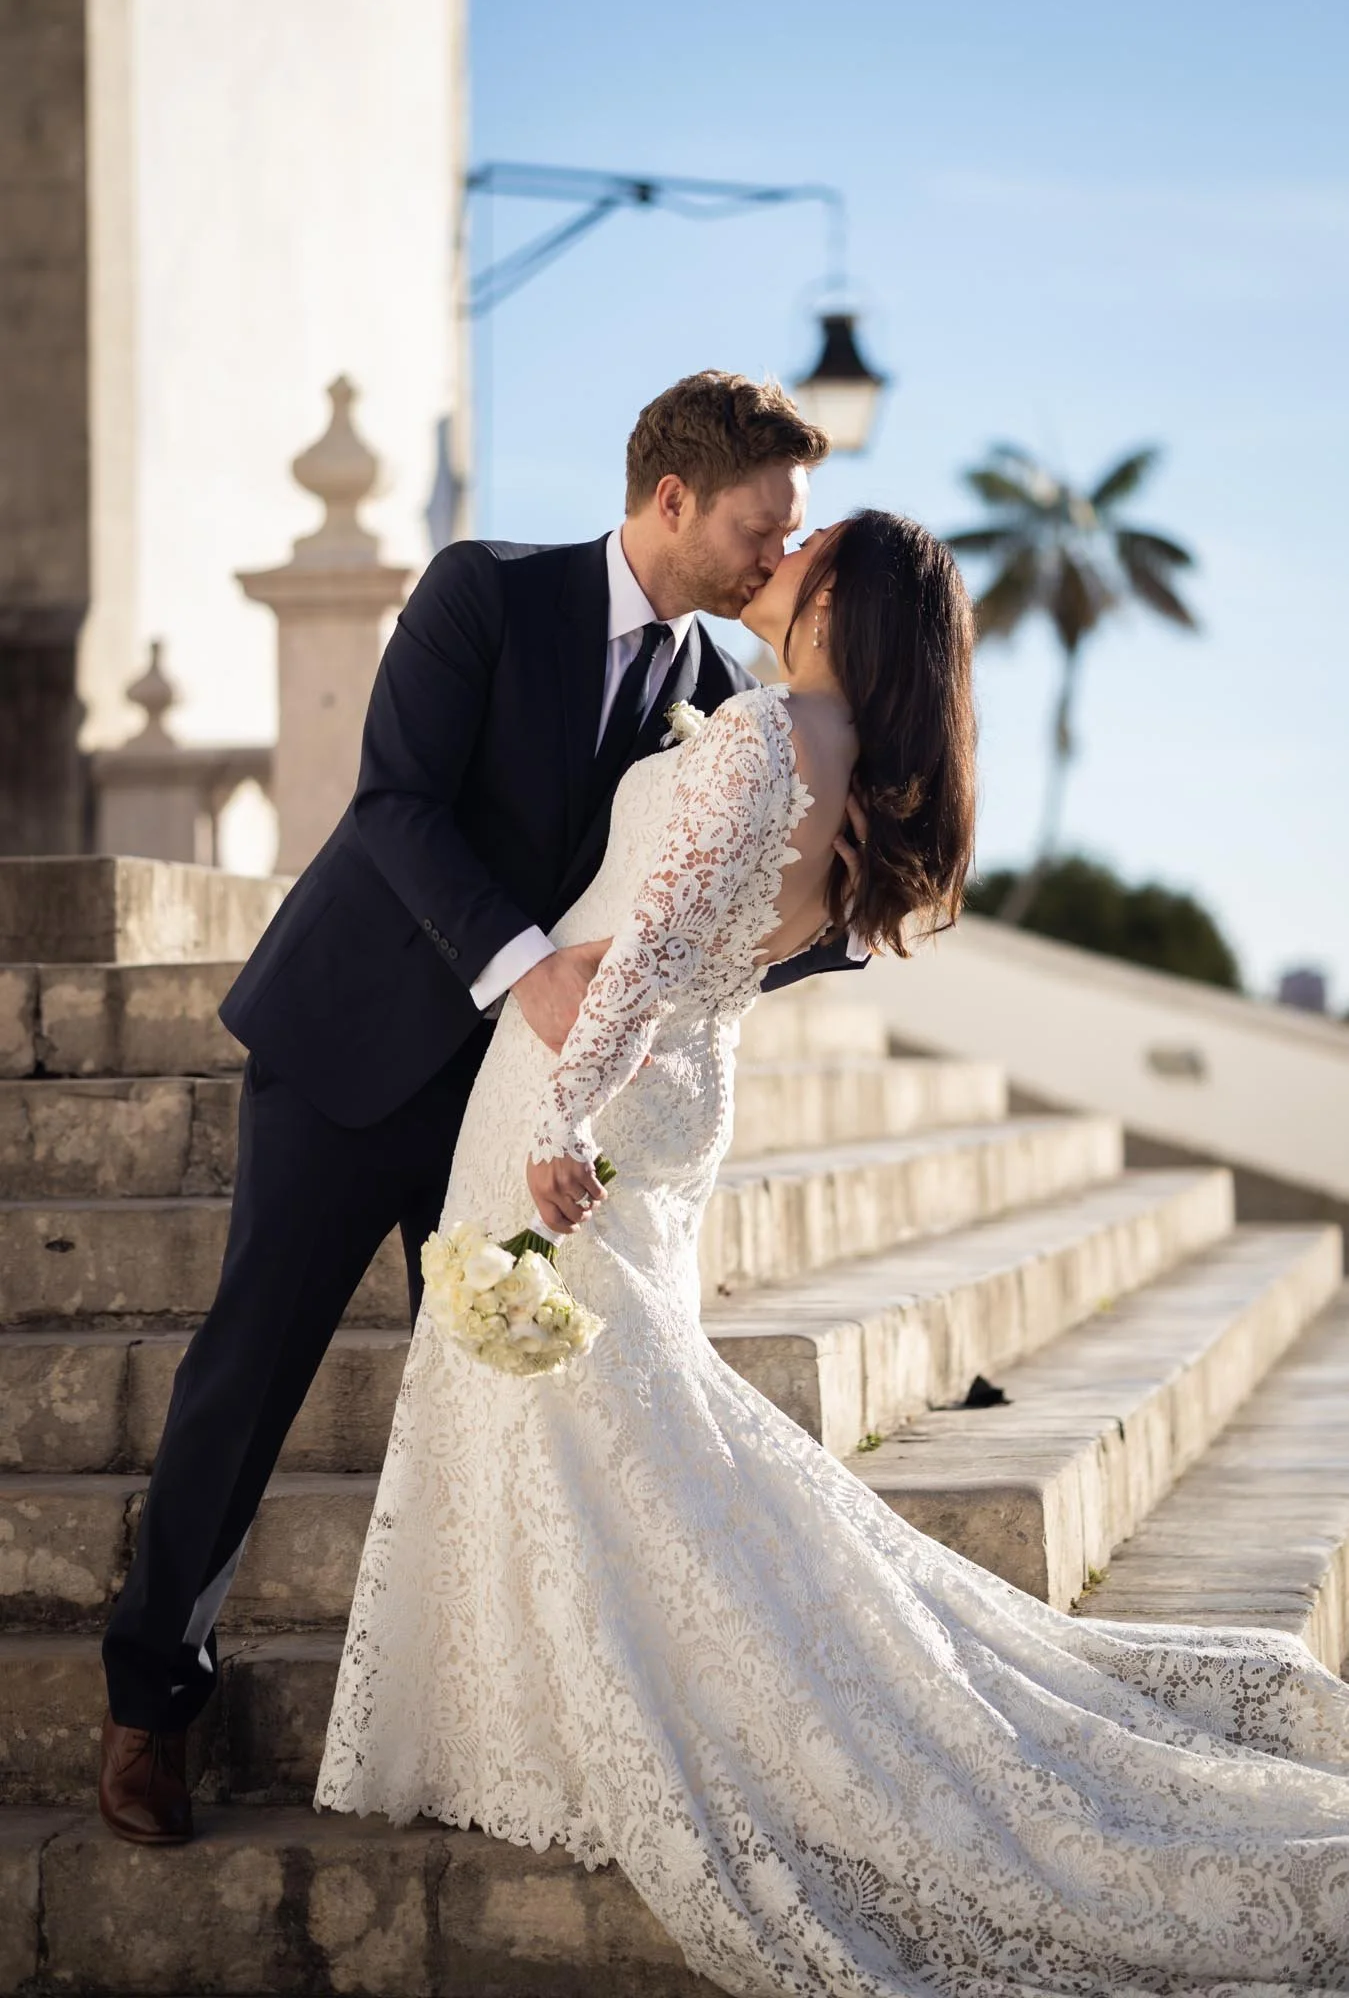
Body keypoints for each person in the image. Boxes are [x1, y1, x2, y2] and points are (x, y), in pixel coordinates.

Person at [317, 510, 1349, 1996]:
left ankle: (608, 1709)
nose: (776, 552)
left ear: (843, 603)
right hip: (679, 1090)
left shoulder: (760, 738)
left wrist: (567, 1106)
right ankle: (536, 1710)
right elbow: (706, 947)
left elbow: (657, 951)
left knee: (586, 1400)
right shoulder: (846, 772)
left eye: (807, 548)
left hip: (591, 1083)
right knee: (613, 1408)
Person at [98, 372, 863, 1845]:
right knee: (248, 1371)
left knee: (500, 1402)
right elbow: (394, 804)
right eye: (764, 530)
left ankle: (490, 1718)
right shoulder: (483, 594)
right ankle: (148, 1710)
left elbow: (700, 916)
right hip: (355, 1049)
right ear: (671, 501)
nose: (779, 558)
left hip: (519, 1107)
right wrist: (529, 974)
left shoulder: (724, 699)